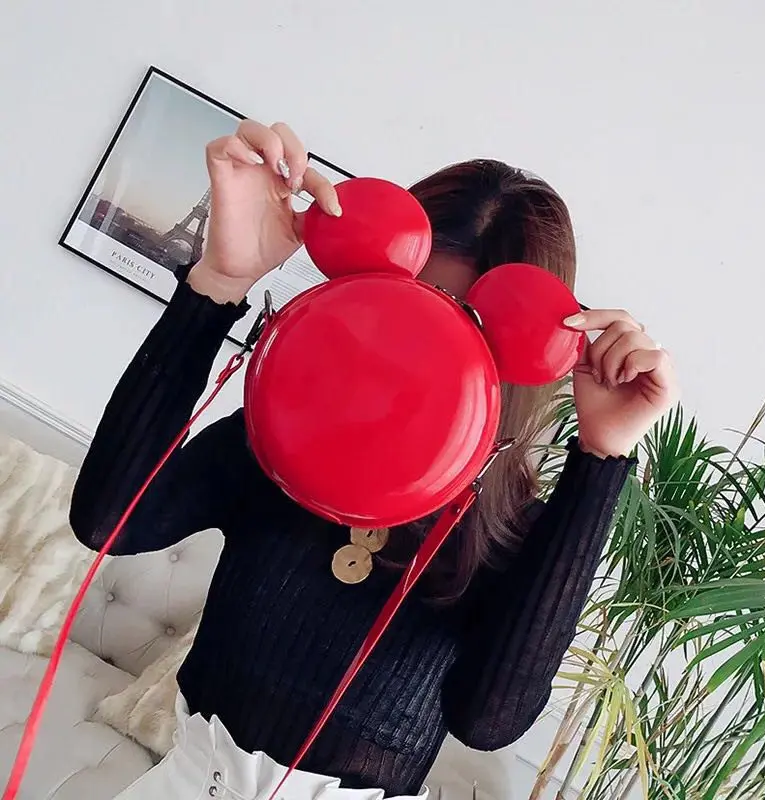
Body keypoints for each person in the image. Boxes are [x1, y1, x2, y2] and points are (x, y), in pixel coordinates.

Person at [70, 120, 678, 800]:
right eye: (411, 305)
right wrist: (217, 284)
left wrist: (600, 460)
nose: (420, 351)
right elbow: (108, 522)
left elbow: (489, 719)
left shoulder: (512, 528)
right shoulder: (282, 443)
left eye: (463, 327)